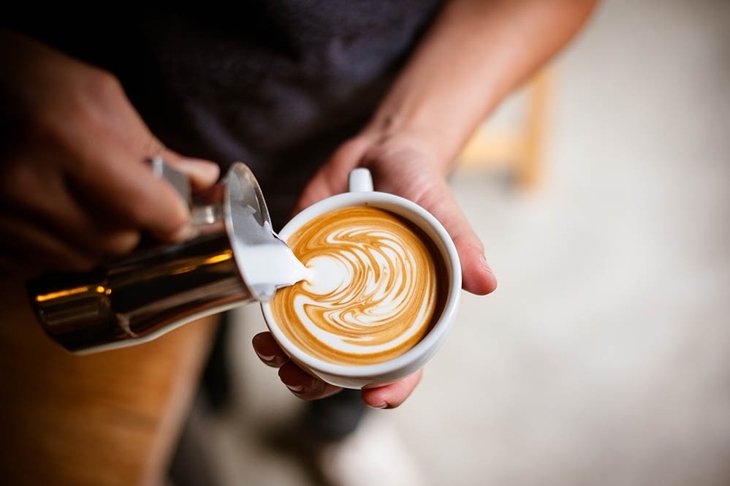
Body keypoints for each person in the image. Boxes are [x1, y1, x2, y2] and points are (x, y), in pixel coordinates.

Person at [0, 1, 597, 483]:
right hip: (137, 170)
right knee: (193, 317)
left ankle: (342, 431)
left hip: (378, 127)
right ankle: (215, 395)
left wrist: (407, 133)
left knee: (359, 382)